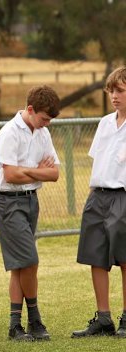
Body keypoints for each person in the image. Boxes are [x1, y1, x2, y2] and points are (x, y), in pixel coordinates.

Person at [0, 85, 60, 341]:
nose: (47, 124)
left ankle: (15, 325)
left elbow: (54, 174)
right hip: (9, 202)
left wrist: (27, 170)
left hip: (31, 201)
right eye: (44, 118)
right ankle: (34, 318)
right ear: (30, 110)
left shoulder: (42, 132)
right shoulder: (10, 133)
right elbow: (10, 175)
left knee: (20, 266)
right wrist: (36, 170)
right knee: (30, 260)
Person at [72, 67, 126, 338]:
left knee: (125, 258)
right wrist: (92, 194)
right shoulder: (104, 123)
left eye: (120, 91)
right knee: (96, 256)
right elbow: (99, 161)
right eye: (111, 91)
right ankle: (103, 318)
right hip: (99, 195)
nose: (114, 97)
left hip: (123, 196)